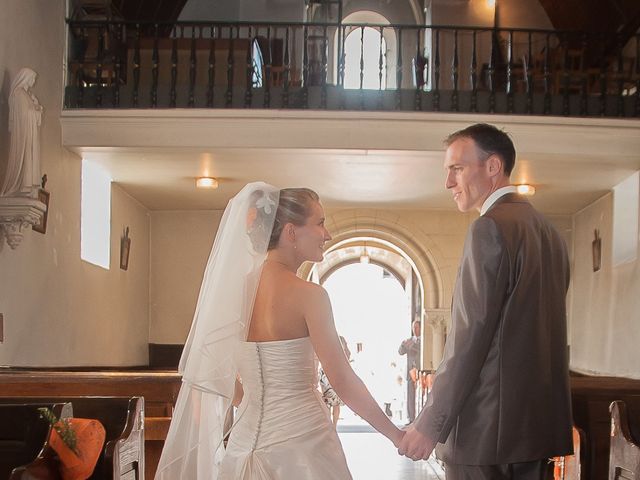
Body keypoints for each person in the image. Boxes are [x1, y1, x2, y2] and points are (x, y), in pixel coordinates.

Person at [156, 184, 404, 479]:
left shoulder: (233, 293)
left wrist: (254, 401)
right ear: (291, 232)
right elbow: (342, 379)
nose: (327, 234)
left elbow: (210, 368)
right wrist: (396, 435)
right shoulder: (310, 295)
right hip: (304, 443)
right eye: (320, 223)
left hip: (244, 444)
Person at [398, 123, 573, 480]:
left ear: (493, 167)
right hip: (534, 431)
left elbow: (469, 338)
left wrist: (431, 424)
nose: (448, 182)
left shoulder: (489, 228)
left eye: (457, 169)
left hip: (485, 432)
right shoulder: (550, 233)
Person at [1, 67, 43, 197]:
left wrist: (37, 108)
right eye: (32, 79)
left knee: (29, 156)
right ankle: (20, 184)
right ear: (26, 78)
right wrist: (35, 109)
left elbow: (30, 113)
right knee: (24, 157)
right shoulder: (19, 94)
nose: (33, 81)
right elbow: (23, 115)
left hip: (29, 133)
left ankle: (26, 185)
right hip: (23, 134)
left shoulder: (26, 95)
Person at [319, 335, 351, 427]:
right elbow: (348, 354)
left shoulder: (327, 340)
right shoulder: (341, 339)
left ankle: (329, 426)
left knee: (327, 401)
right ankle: (334, 426)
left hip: (326, 371)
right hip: (336, 371)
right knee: (336, 402)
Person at [398, 319, 421, 423]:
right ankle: (411, 418)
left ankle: (420, 418)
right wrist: (403, 345)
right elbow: (400, 352)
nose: (415, 330)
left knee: (420, 395)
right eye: (413, 328)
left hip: (420, 372)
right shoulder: (409, 340)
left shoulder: (424, 340)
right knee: (410, 395)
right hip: (410, 372)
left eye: (417, 327)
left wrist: (414, 346)